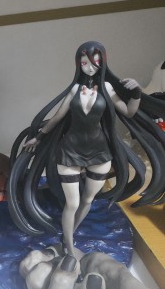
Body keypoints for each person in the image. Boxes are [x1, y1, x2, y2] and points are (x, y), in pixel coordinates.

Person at [9, 41, 165, 256]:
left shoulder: (107, 88)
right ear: (78, 64)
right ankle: (69, 249)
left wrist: (137, 93)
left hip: (99, 153)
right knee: (72, 203)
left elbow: (129, 112)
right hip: (70, 151)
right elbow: (57, 117)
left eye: (94, 63)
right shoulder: (75, 89)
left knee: (88, 200)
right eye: (84, 63)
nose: (90, 68)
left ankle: (68, 235)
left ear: (102, 64)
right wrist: (39, 137)